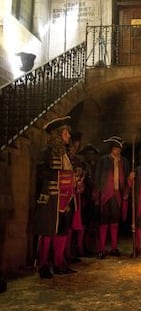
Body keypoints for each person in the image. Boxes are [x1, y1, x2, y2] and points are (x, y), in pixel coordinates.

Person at [33, 116, 77, 278]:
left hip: (65, 199)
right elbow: (42, 171)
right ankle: (43, 265)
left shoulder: (65, 155)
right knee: (48, 232)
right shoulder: (46, 152)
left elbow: (68, 175)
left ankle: (59, 264)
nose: (69, 136)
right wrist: (63, 176)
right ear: (58, 134)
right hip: (51, 198)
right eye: (66, 133)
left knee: (62, 231)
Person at [94, 136, 131, 259]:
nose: (118, 151)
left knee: (115, 221)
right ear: (112, 149)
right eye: (116, 148)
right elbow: (97, 178)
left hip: (117, 195)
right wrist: (96, 194)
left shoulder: (124, 161)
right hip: (105, 194)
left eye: (119, 149)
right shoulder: (103, 160)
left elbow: (126, 178)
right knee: (103, 222)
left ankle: (114, 247)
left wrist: (126, 189)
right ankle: (101, 249)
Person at [65, 131, 86, 261]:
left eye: (77, 148)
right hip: (65, 196)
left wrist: (80, 184)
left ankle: (69, 253)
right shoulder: (64, 159)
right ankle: (63, 255)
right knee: (65, 227)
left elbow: (80, 178)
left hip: (75, 197)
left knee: (72, 227)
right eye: (73, 147)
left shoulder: (77, 161)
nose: (75, 150)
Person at [78, 143, 100, 256]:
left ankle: (87, 246)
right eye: (88, 154)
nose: (91, 156)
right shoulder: (82, 166)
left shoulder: (95, 166)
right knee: (83, 224)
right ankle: (80, 248)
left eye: (92, 154)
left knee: (91, 224)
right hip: (84, 198)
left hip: (92, 198)